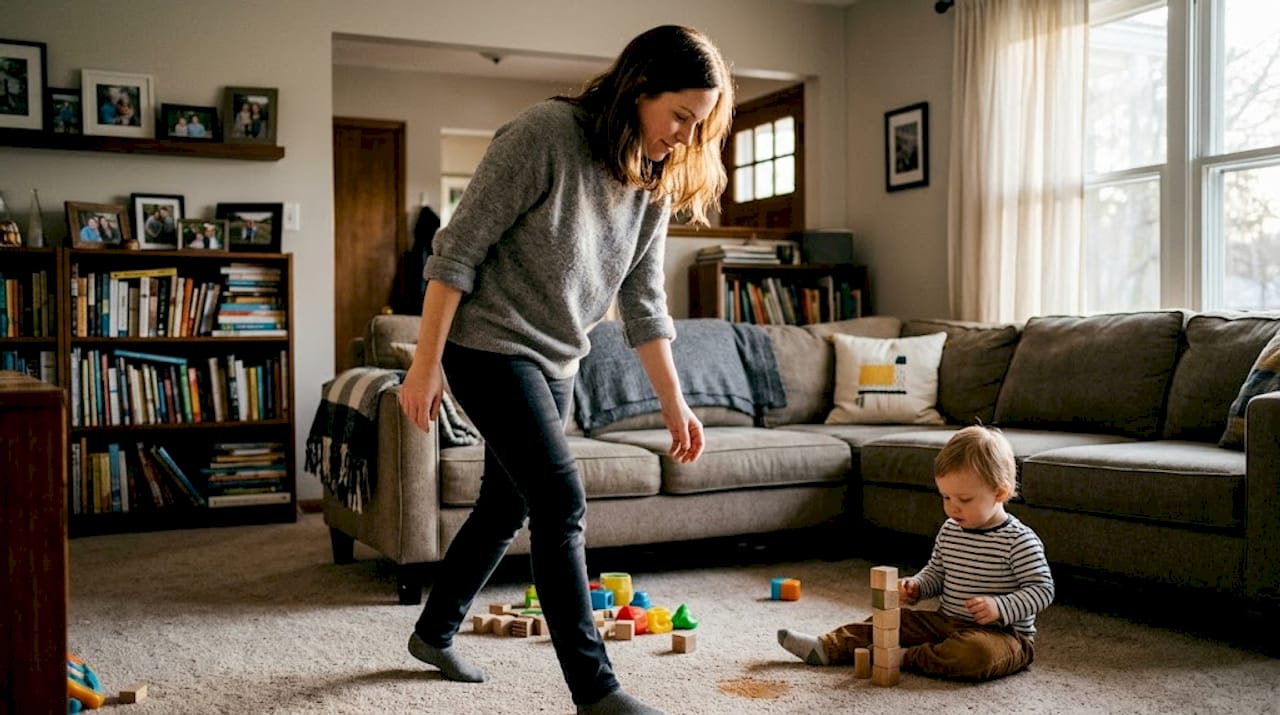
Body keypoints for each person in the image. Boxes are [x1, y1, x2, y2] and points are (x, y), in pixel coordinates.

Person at [396, 24, 734, 715]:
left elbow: (643, 302)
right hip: (485, 345)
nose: (685, 136)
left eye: (698, 126)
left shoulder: (652, 179)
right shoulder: (544, 134)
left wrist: (674, 402)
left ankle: (433, 631)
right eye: (680, 116)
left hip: (556, 356)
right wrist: (424, 364)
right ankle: (596, 689)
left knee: (507, 501)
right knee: (560, 498)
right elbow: (454, 253)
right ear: (640, 89)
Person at [777, 426, 1055, 681]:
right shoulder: (951, 529)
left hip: (1003, 635)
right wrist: (918, 586)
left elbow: (1043, 590)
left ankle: (908, 657)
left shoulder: (1018, 540)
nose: (952, 508)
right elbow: (937, 571)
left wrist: (1000, 607)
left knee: (975, 655)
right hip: (945, 621)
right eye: (946, 497)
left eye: (964, 500)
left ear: (1000, 492)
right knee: (891, 620)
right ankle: (827, 647)